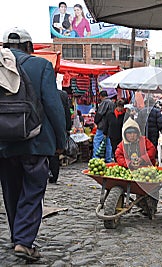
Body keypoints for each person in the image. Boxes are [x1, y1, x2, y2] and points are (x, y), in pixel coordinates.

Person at [0, 27, 66, 261]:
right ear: (30, 47)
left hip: (4, 144)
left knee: (11, 191)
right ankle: (24, 241)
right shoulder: (40, 66)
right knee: (33, 190)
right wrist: (62, 140)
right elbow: (53, 106)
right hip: (36, 142)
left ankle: (17, 236)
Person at [48, 89, 71, 184]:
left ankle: (47, 173)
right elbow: (67, 112)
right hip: (59, 126)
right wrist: (68, 127)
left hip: (47, 126)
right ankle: (53, 175)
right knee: (55, 152)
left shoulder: (44, 91)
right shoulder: (63, 94)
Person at [93, 91, 114, 163]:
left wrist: (96, 121)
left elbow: (100, 113)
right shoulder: (112, 103)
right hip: (110, 126)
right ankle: (109, 159)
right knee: (109, 143)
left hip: (102, 126)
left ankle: (96, 158)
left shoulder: (105, 102)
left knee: (97, 141)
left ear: (101, 96)